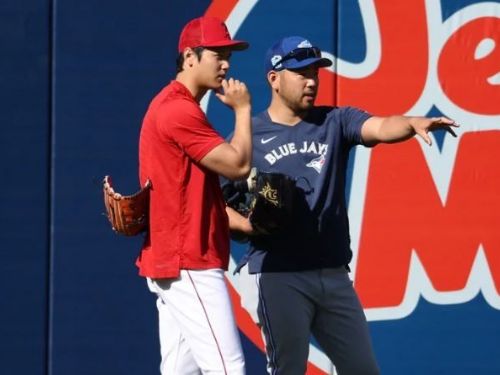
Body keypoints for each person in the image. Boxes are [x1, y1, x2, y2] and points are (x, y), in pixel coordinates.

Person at [223, 36, 458, 375]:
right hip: (277, 274)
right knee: (288, 369)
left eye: (315, 73)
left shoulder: (335, 121)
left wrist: (410, 123)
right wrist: (244, 224)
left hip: (333, 274)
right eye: (300, 72)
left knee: (363, 370)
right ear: (273, 78)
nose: (311, 80)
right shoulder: (250, 136)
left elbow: (378, 126)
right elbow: (214, 203)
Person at [137, 16, 253, 375]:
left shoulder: (172, 105)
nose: (226, 63)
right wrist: (243, 109)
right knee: (228, 369)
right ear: (190, 56)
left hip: (173, 259)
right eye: (216, 54)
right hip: (189, 261)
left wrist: (243, 224)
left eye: (227, 54)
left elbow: (192, 194)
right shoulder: (178, 109)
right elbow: (238, 166)